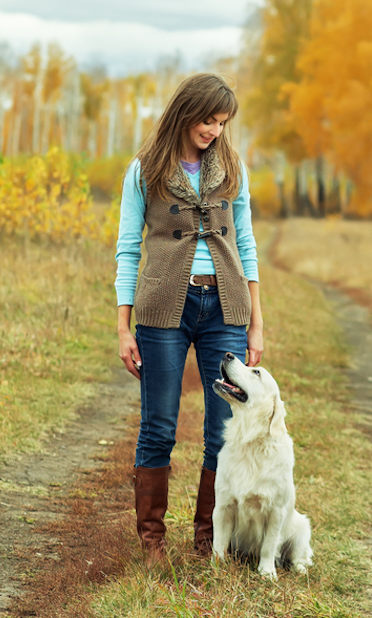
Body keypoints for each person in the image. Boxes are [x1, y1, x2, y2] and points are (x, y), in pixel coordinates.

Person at [114, 73, 263, 562]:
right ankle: (153, 541)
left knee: (223, 429)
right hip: (162, 313)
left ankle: (207, 538)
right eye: (208, 120)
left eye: (222, 123)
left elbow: (246, 243)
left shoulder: (233, 169)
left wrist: (255, 321)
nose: (215, 130)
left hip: (225, 309)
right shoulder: (144, 171)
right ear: (185, 112)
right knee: (159, 425)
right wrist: (123, 326)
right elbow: (128, 249)